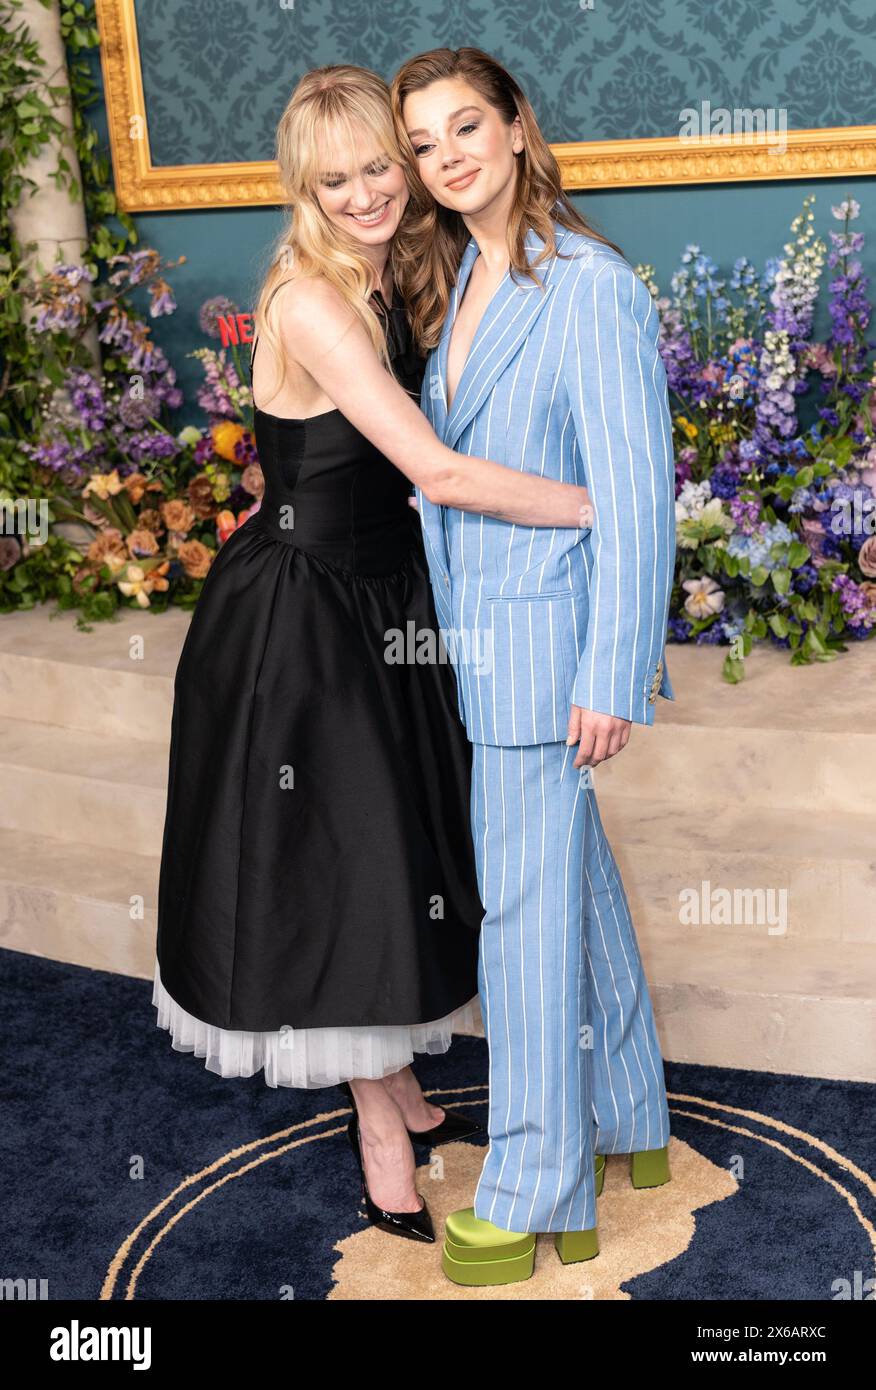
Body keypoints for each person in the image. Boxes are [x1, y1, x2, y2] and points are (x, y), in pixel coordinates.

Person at [153, 64, 595, 1246]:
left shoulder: (380, 272)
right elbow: (436, 472)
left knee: (397, 850)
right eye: (334, 178)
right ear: (304, 186)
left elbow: (304, 460)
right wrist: (606, 503)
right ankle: (382, 1138)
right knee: (342, 869)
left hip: (374, 599)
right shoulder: (310, 299)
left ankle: (399, 1088)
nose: (363, 193)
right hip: (306, 631)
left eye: (377, 167)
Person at [391, 46, 676, 1283]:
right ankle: (633, 1118)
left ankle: (534, 1186)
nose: (446, 156)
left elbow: (637, 497)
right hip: (482, 641)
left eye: (466, 128)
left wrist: (613, 668)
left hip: (552, 650)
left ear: (519, 127)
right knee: (576, 888)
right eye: (423, 142)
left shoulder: (592, 287)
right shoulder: (461, 281)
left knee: (520, 924)